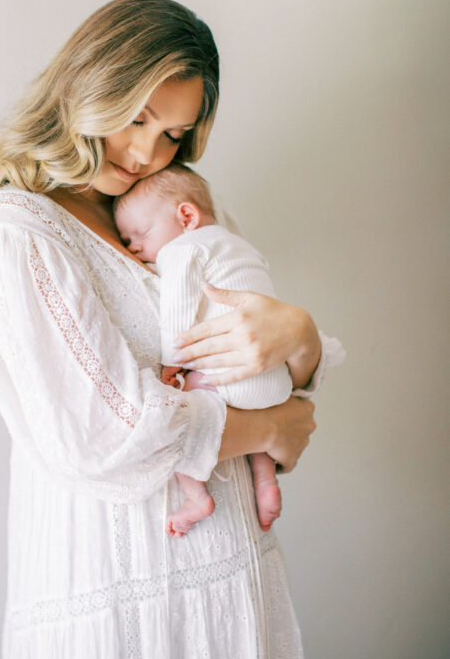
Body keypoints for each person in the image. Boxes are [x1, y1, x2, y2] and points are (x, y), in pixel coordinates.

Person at [0, 0, 344, 659]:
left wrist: (303, 337)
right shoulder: (19, 229)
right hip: (120, 587)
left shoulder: (169, 202)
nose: (148, 153)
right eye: (136, 119)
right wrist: (269, 431)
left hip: (227, 582)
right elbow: (99, 436)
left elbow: (253, 341)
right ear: (89, 90)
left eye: (174, 133)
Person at [114, 163, 331, 539]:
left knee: (178, 410)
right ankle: (266, 484)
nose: (133, 246)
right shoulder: (238, 244)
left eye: (140, 234)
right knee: (253, 415)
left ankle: (196, 497)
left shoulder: (182, 250)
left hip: (230, 378)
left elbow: (178, 311)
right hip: (275, 381)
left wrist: (173, 363)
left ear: (186, 216)